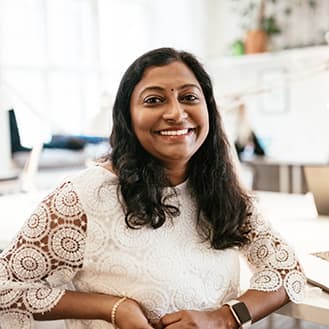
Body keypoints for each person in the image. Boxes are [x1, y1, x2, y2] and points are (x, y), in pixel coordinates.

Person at [0, 47, 305, 329]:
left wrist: (225, 317)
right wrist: (113, 308)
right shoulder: (84, 197)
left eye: (189, 97)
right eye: (154, 100)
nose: (175, 112)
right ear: (127, 117)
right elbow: (5, 288)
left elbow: (286, 270)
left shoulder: (219, 189)